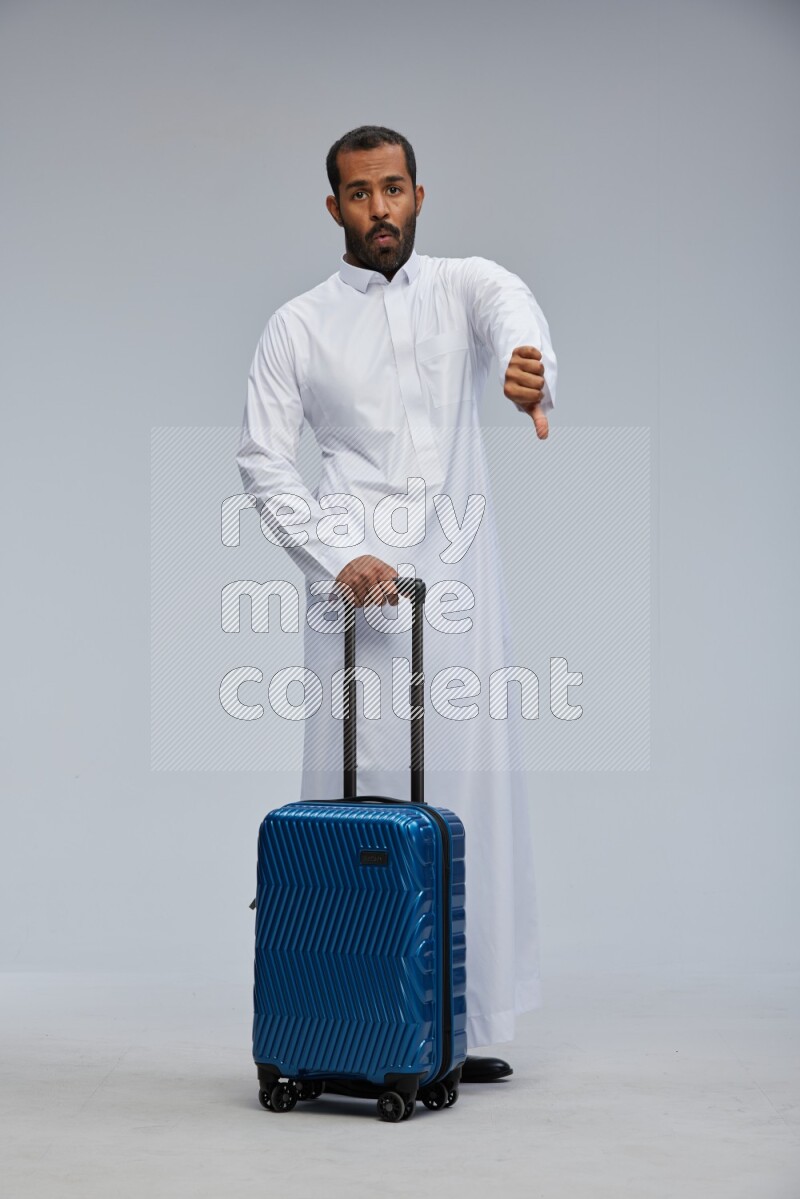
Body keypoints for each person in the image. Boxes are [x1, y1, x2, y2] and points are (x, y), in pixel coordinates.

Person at [237, 125, 557, 1082]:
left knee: (468, 795)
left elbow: (511, 303)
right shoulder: (296, 325)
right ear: (332, 208)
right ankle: (362, 1028)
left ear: (420, 194)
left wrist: (528, 358)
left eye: (395, 189)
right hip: (357, 590)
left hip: (456, 585)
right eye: (360, 194)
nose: (380, 209)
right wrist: (336, 555)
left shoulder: (462, 287)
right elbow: (261, 457)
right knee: (363, 795)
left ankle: (451, 1021)